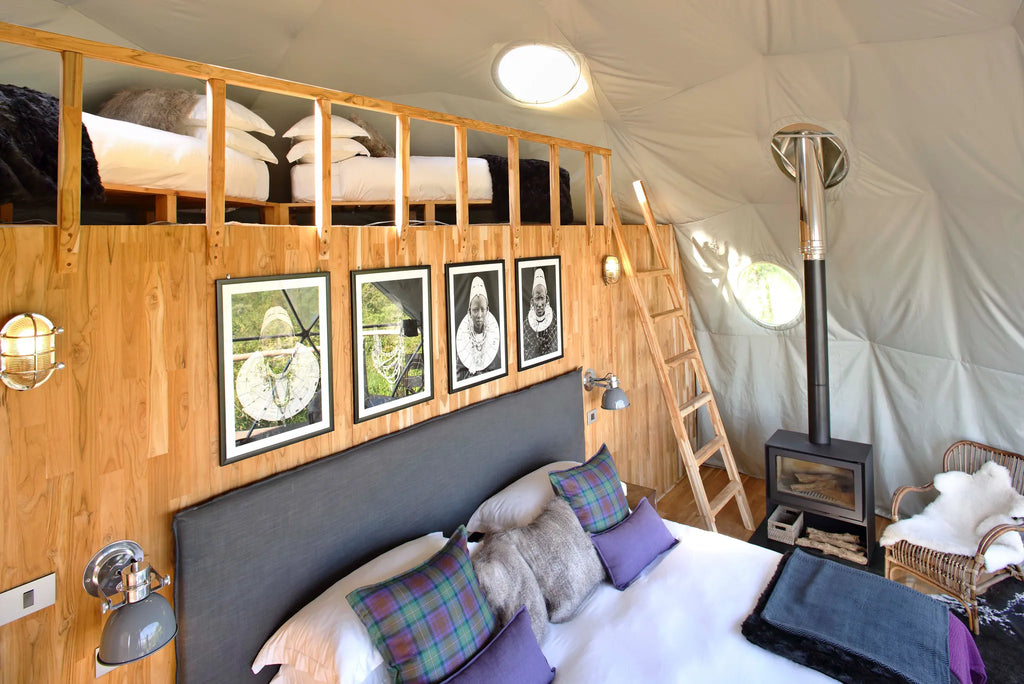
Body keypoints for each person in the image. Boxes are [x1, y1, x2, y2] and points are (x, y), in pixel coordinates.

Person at [455, 276, 501, 381]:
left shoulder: (494, 338)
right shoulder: (463, 340)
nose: (479, 315)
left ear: (487, 310)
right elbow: (458, 374)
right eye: (475, 310)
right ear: (469, 311)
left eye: (482, 310)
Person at [522, 268, 558, 361]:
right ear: (532, 301)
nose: (539, 304)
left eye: (542, 298)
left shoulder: (554, 321)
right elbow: (526, 354)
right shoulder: (526, 325)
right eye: (537, 299)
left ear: (547, 299)